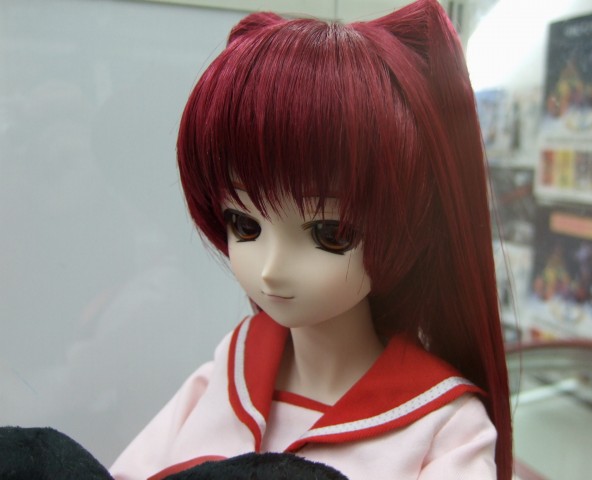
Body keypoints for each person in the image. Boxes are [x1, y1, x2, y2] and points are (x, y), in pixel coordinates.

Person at [110, 0, 512, 478]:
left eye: (329, 232)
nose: (271, 269)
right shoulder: (229, 370)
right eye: (245, 225)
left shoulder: (444, 427)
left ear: (406, 224)